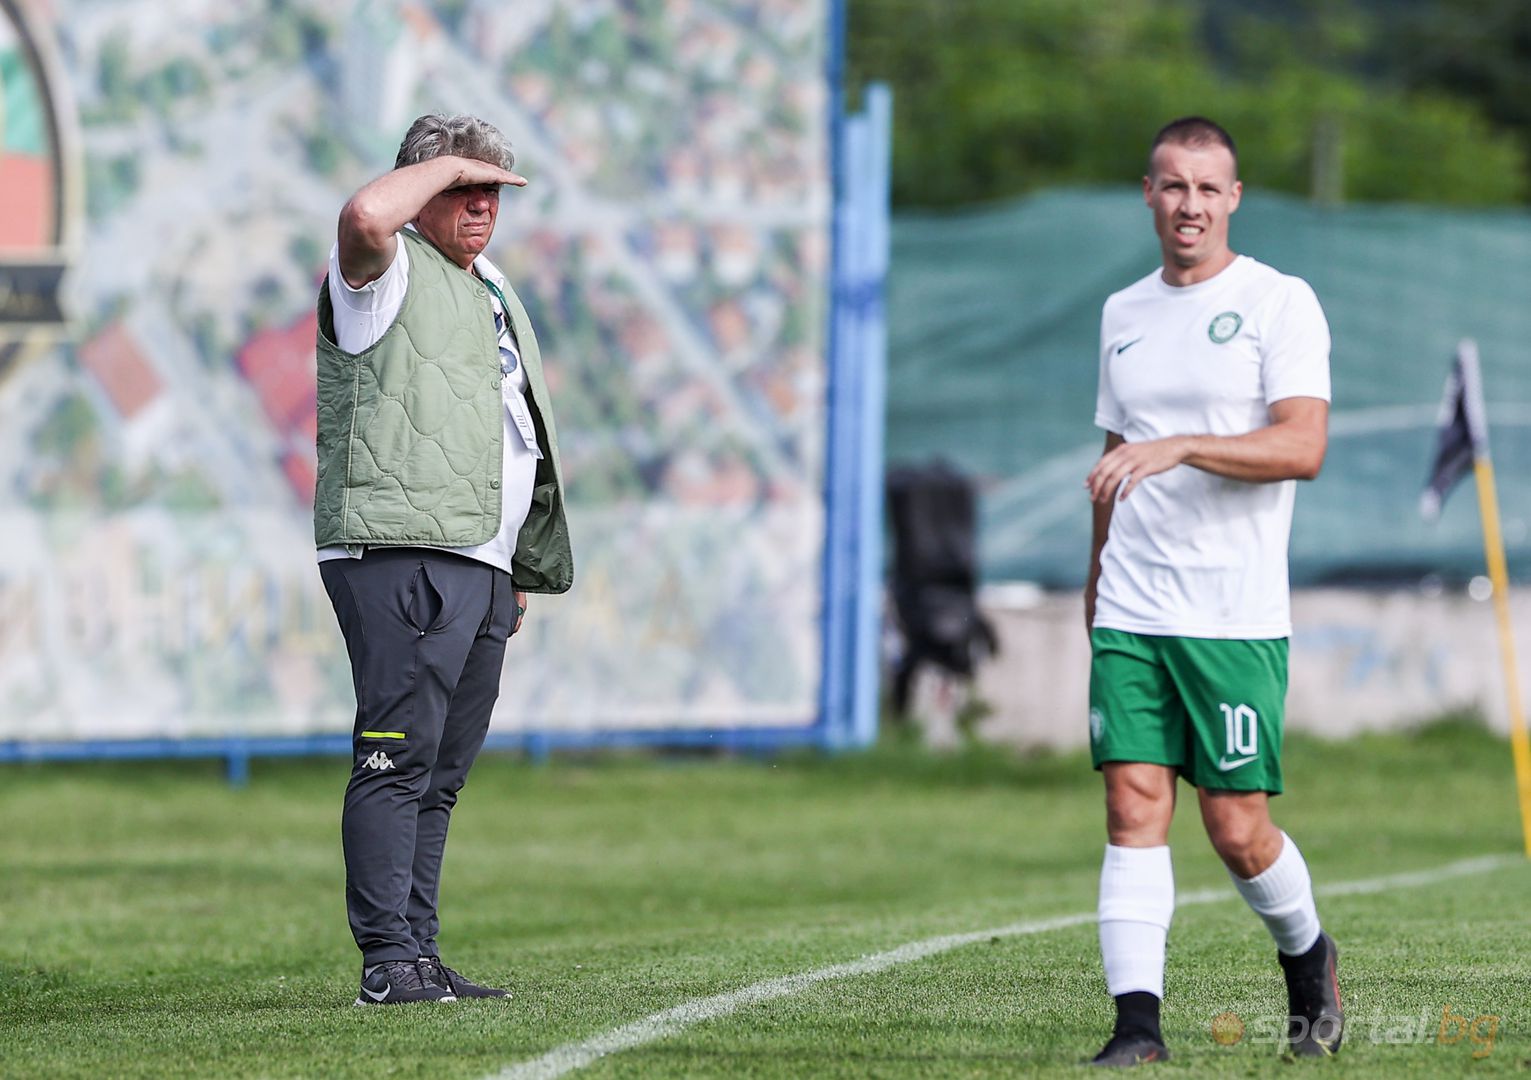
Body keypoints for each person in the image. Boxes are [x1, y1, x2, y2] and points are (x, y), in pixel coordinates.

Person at [1082, 117, 1340, 1065]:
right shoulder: (1122, 313)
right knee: (1131, 803)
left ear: (1233, 199)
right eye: (1170, 185)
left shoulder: (1278, 302)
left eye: (1206, 188)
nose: (1187, 204)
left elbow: (1301, 448)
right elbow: (1113, 464)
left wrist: (1183, 444)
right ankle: (1136, 1029)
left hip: (1231, 615)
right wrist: (1095, 585)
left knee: (1236, 829)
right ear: (1145, 195)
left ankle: (1308, 960)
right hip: (1132, 609)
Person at [313, 113, 573, 1006]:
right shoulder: (383, 273)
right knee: (395, 758)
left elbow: (508, 428)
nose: (482, 205)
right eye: (463, 186)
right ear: (422, 189)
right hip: (401, 550)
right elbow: (362, 217)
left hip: (477, 562)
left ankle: (418, 953)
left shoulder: (488, 286)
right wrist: (442, 165)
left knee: (441, 774)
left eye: (492, 189)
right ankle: (385, 959)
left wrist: (509, 563)